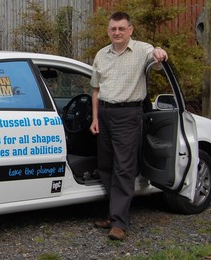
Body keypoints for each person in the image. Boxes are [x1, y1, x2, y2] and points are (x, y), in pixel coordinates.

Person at [89, 11, 168, 241]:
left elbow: (156, 57)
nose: (117, 33)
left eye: (121, 29)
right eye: (113, 29)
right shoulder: (101, 55)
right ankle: (115, 215)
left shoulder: (143, 50)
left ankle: (119, 224)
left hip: (128, 115)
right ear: (108, 30)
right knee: (106, 167)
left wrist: (160, 52)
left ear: (130, 30)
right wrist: (95, 118)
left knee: (124, 169)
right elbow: (95, 90)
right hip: (104, 113)